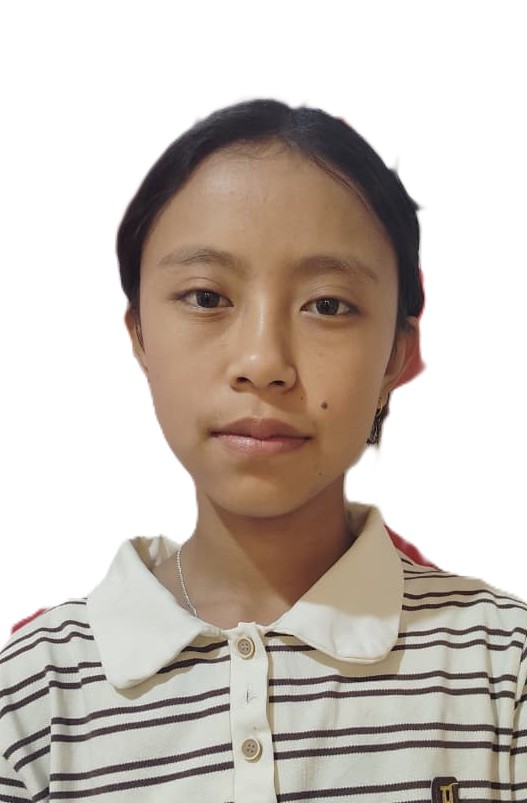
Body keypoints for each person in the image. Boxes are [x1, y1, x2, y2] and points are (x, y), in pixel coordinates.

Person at [1, 99, 525, 802]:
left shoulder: (501, 671)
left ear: (396, 357)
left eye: (327, 305)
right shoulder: (32, 700)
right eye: (205, 296)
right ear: (140, 336)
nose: (263, 362)